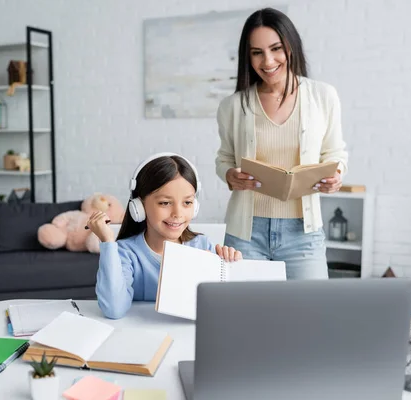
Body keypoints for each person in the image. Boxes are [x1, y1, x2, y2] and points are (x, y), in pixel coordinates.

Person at [215, 8, 348, 280]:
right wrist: (229, 175)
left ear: (291, 46)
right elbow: (224, 158)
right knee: (245, 314)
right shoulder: (232, 106)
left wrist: (336, 175)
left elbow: (335, 152)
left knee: (310, 315)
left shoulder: (323, 96)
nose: (268, 61)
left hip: (303, 234)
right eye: (257, 52)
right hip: (245, 235)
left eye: (276, 48)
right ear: (247, 56)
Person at [87, 153, 242, 319]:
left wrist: (232, 268)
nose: (178, 213)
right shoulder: (126, 252)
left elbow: (223, 308)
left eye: (187, 202)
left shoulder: (203, 247)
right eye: (165, 203)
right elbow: (114, 309)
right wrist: (108, 243)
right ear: (138, 206)